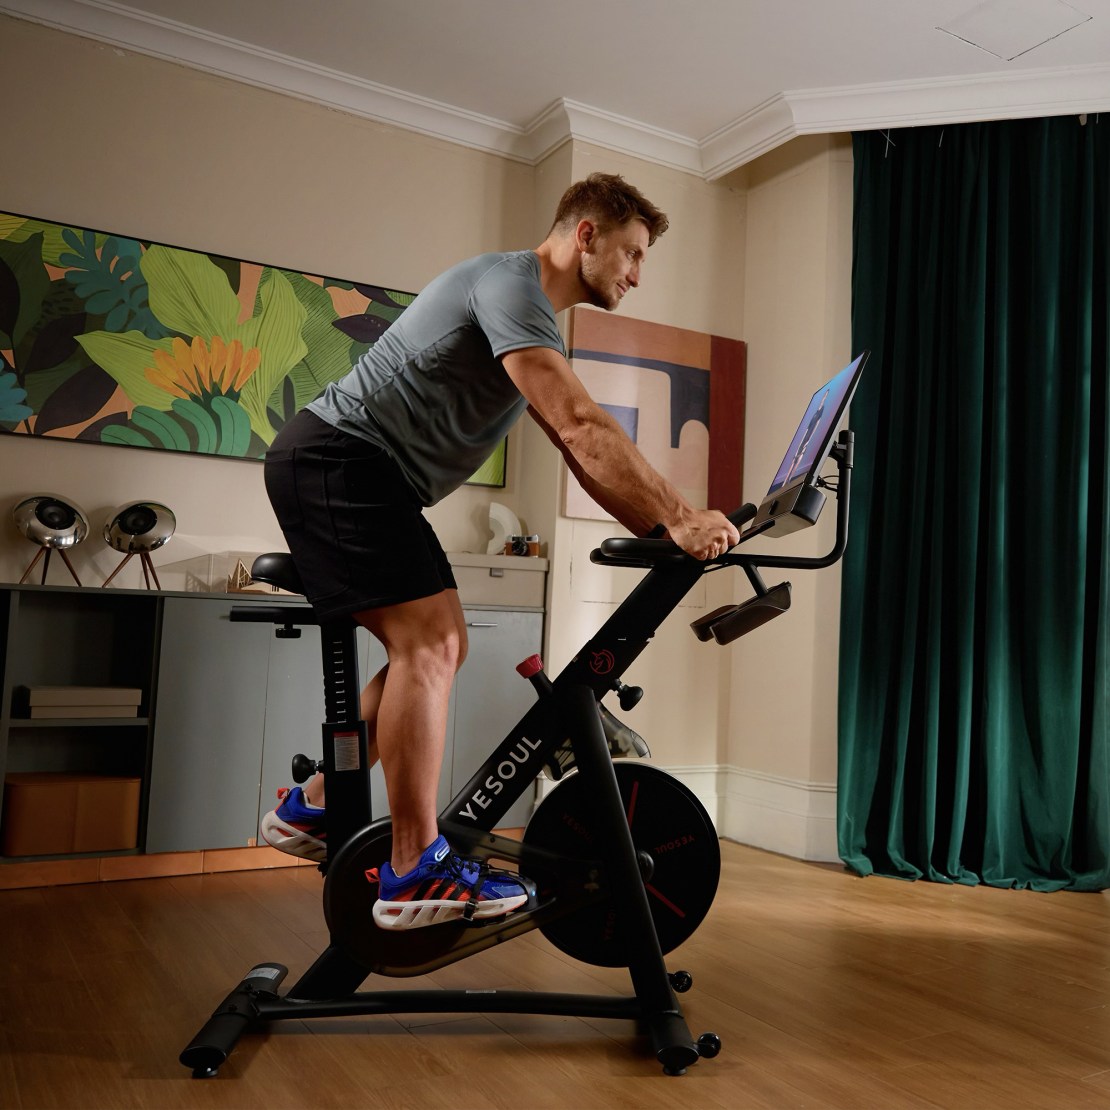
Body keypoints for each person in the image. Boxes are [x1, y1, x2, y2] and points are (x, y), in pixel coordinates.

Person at [260, 172, 740, 931]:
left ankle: (312, 806)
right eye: (632, 252)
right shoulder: (510, 284)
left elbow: (577, 446)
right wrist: (678, 516)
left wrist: (665, 532)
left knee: (440, 645)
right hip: (339, 462)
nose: (637, 273)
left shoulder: (528, 312)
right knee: (435, 643)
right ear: (586, 234)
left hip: (356, 471)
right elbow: (581, 422)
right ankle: (415, 871)